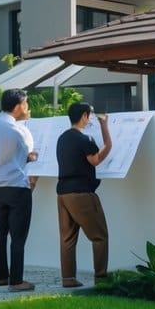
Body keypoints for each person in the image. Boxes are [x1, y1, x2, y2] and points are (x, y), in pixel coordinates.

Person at [0, 88, 38, 292]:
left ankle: (2, 277)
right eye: (26, 103)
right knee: (18, 236)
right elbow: (27, 156)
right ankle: (16, 281)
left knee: (0, 233)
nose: (27, 107)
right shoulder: (18, 131)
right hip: (17, 185)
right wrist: (33, 156)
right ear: (18, 107)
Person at [55, 102, 112, 288]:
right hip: (81, 193)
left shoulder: (62, 138)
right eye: (90, 115)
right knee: (100, 236)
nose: (91, 119)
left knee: (67, 238)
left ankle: (68, 278)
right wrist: (106, 133)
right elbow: (95, 160)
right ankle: (101, 278)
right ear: (84, 116)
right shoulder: (85, 139)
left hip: (62, 193)